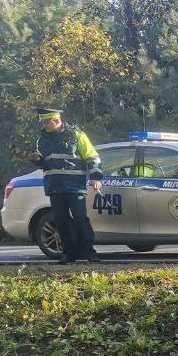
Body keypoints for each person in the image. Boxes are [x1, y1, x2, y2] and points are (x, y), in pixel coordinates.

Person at [33, 107, 103, 263]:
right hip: (55, 187)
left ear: (56, 121)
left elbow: (92, 157)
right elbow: (45, 163)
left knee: (80, 219)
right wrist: (37, 161)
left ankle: (88, 251)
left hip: (74, 186)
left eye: (46, 122)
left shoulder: (77, 135)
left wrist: (96, 177)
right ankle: (69, 253)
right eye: (43, 122)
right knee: (61, 221)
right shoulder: (41, 139)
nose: (44, 125)